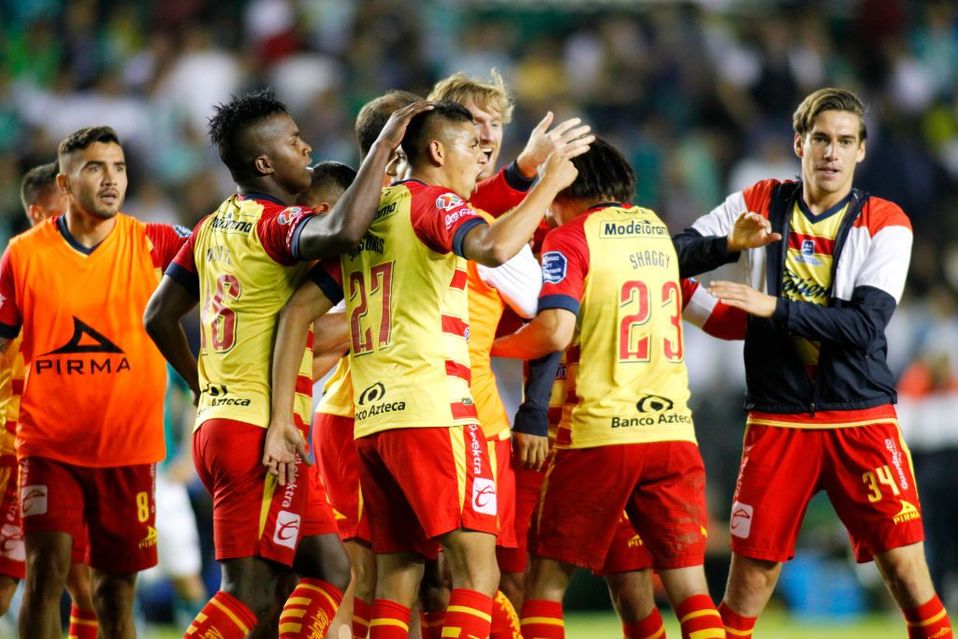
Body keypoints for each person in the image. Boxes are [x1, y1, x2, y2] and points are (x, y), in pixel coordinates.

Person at [265, 100, 586, 639]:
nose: (478, 159)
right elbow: (493, 245)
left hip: (370, 420)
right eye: (469, 147)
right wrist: (548, 185)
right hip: (434, 409)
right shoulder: (432, 203)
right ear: (436, 151)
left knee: (396, 577)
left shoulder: (367, 214)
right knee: (476, 574)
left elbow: (299, 311)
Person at [143, 88, 429, 638]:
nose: (308, 147)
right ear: (265, 163)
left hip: (224, 423)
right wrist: (385, 146)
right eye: (296, 141)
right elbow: (343, 231)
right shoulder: (272, 226)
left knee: (326, 569)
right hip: (257, 432)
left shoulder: (211, 227)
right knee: (247, 592)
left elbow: (159, 315)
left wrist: (201, 388)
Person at [673, 87, 953, 638]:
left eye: (845, 141)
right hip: (778, 418)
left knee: (907, 573)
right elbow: (673, 252)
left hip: (862, 418)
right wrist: (728, 244)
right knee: (752, 577)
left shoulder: (886, 221)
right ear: (799, 143)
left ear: (861, 152)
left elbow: (863, 327)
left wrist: (773, 307)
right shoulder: (757, 199)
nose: (832, 152)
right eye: (821, 138)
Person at [492, 137, 727, 639]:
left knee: (545, 585)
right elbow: (712, 313)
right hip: (672, 435)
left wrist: (484, 349)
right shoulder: (656, 233)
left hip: (600, 435)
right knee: (693, 594)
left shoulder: (570, 238)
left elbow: (554, 330)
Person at [0, 127, 190, 638]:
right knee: (46, 574)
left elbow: (234, 267)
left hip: (128, 450)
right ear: (64, 182)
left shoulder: (157, 243)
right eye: (95, 168)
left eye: (119, 167)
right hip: (49, 445)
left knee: (114, 592)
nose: (111, 180)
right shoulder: (22, 254)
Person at [0, 162, 100, 638]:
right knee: (18, 584)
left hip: (73, 449)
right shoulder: (21, 271)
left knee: (85, 583)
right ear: (41, 214)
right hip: (17, 447)